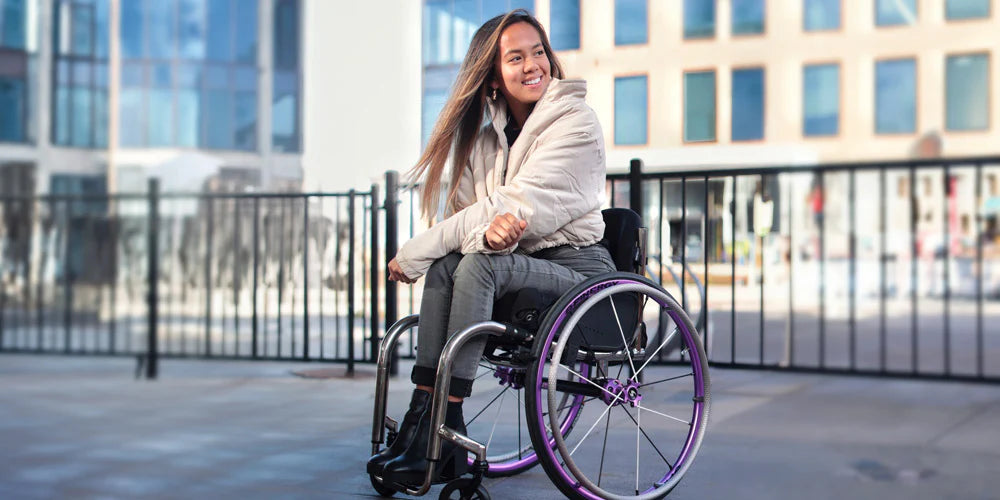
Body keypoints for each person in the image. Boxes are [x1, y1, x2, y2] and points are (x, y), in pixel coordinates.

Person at [367, 10, 615, 486]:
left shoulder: (576, 122)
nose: (532, 65)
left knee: (474, 264)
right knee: (447, 264)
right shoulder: (484, 142)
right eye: (516, 57)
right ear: (494, 78)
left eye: (538, 52)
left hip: (578, 272)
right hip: (520, 266)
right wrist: (485, 235)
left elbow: (520, 206)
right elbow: (469, 219)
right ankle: (423, 419)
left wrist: (426, 247)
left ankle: (447, 425)